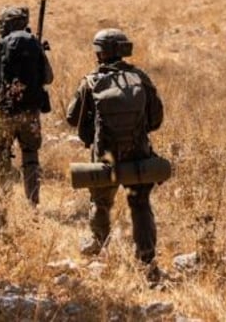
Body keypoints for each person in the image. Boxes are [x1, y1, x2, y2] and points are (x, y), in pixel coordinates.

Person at [66, 28, 164, 281]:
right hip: (139, 157)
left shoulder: (90, 81)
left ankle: (99, 251)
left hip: (104, 159)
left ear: (100, 53)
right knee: (140, 205)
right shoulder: (139, 77)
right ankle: (146, 259)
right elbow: (156, 120)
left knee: (101, 203)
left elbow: (72, 118)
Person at [0, 6, 53, 206]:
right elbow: (49, 77)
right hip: (31, 112)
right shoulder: (34, 44)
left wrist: (0, 85)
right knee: (31, 156)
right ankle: (33, 202)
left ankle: (5, 199)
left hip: (5, 110)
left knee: (2, 152)